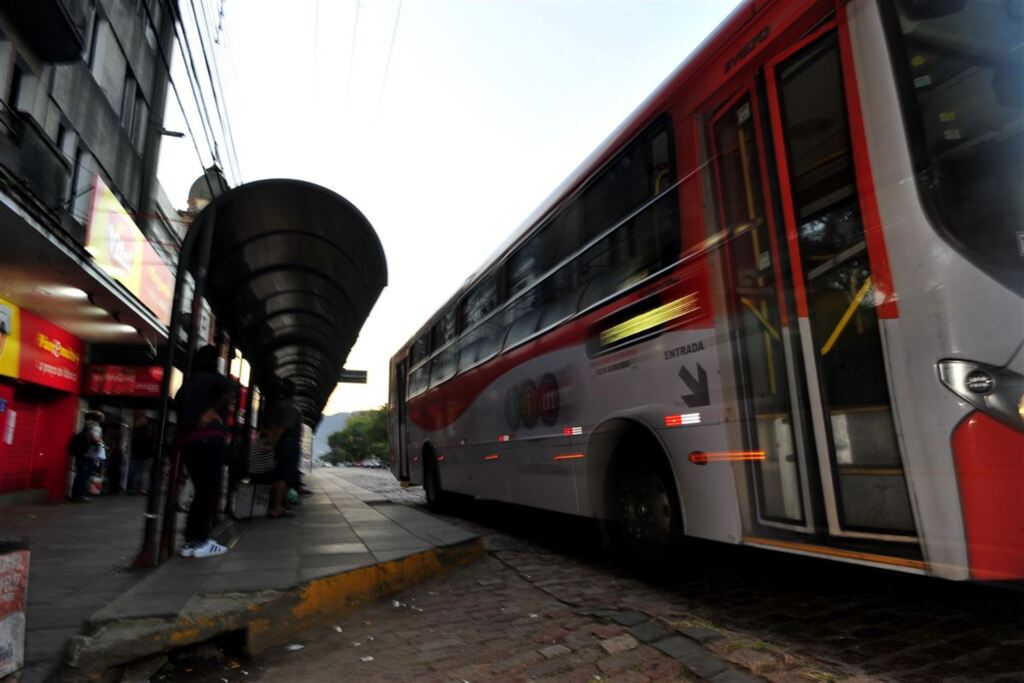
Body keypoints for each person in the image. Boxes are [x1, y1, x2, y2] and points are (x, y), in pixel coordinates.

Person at [175, 345, 235, 558]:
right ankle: (200, 542)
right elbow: (230, 392)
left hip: (187, 441)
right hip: (208, 438)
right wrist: (212, 411)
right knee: (208, 490)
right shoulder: (215, 379)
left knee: (200, 490)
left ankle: (190, 542)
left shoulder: (188, 384)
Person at [264, 379, 304, 517]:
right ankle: (277, 508)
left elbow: (274, 427)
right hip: (289, 444)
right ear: (293, 392)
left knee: (280, 475)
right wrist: (272, 444)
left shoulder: (279, 405)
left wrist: (270, 443)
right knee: (284, 476)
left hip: (284, 444)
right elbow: (281, 428)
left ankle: (279, 506)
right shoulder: (290, 407)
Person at [69, 411, 106, 502]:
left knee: (79, 475)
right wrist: (102, 444)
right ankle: (81, 495)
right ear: (100, 419)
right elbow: (95, 438)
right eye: (103, 418)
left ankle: (75, 495)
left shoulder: (87, 426)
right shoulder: (96, 427)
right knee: (84, 476)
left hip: (82, 453)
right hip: (89, 454)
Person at [128, 413, 154, 494]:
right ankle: (143, 489)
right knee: (145, 472)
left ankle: (134, 488)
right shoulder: (149, 434)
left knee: (137, 472)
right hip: (147, 455)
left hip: (137, 455)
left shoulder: (135, 433)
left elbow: (133, 445)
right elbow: (151, 445)